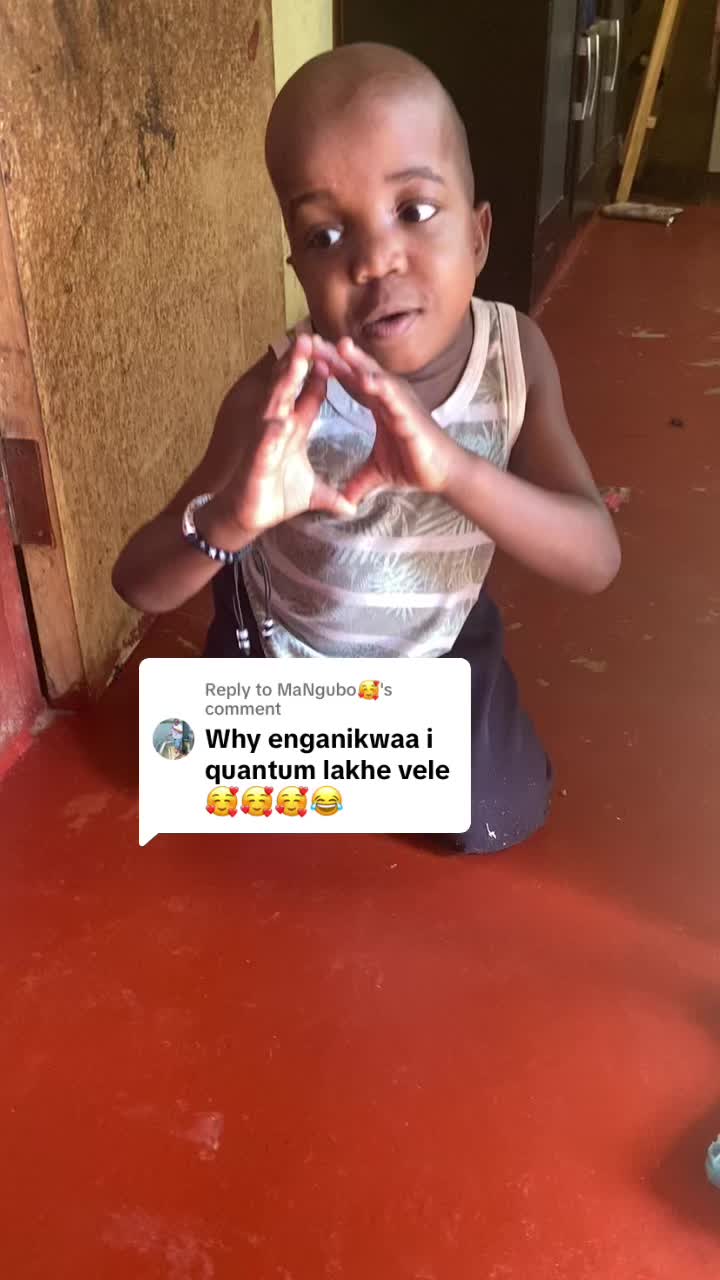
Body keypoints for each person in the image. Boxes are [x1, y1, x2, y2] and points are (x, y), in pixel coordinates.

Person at [113, 43, 621, 852]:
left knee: (496, 815)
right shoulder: (276, 398)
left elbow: (595, 557)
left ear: (480, 235)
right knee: (216, 806)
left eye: (413, 211)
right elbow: (138, 582)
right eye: (324, 234)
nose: (374, 257)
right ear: (298, 270)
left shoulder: (515, 358)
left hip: (435, 645)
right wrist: (231, 522)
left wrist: (453, 471)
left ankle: (380, 746)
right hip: (284, 656)